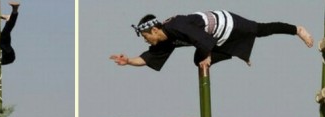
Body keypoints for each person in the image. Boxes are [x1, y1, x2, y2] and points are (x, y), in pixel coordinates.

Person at [110, 11, 313, 72]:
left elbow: (202, 38)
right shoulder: (164, 40)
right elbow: (147, 59)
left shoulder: (176, 25)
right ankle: (236, 52)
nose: (147, 41)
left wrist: (207, 56)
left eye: (146, 37)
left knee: (260, 29)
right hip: (216, 38)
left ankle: (296, 29)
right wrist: (128, 61)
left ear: (154, 30)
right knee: (198, 62)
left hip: (228, 23)